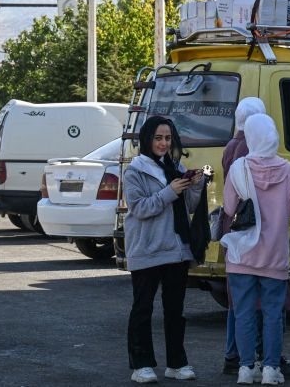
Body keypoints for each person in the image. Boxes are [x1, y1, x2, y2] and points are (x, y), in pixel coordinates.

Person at [219, 98, 290, 380]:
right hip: (275, 254)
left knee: (243, 313)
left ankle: (245, 368)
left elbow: (229, 209)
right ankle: (270, 368)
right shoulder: (288, 169)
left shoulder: (239, 168)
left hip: (242, 253)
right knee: (272, 314)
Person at [124, 116, 205, 384]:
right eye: (158, 138)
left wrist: (195, 184)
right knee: (142, 308)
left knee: (175, 309)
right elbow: (140, 208)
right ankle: (141, 364)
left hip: (176, 250)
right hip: (147, 249)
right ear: (147, 139)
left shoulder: (175, 166)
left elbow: (188, 208)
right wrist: (170, 191)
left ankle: (177, 363)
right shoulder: (134, 171)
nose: (163, 143)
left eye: (168, 138)